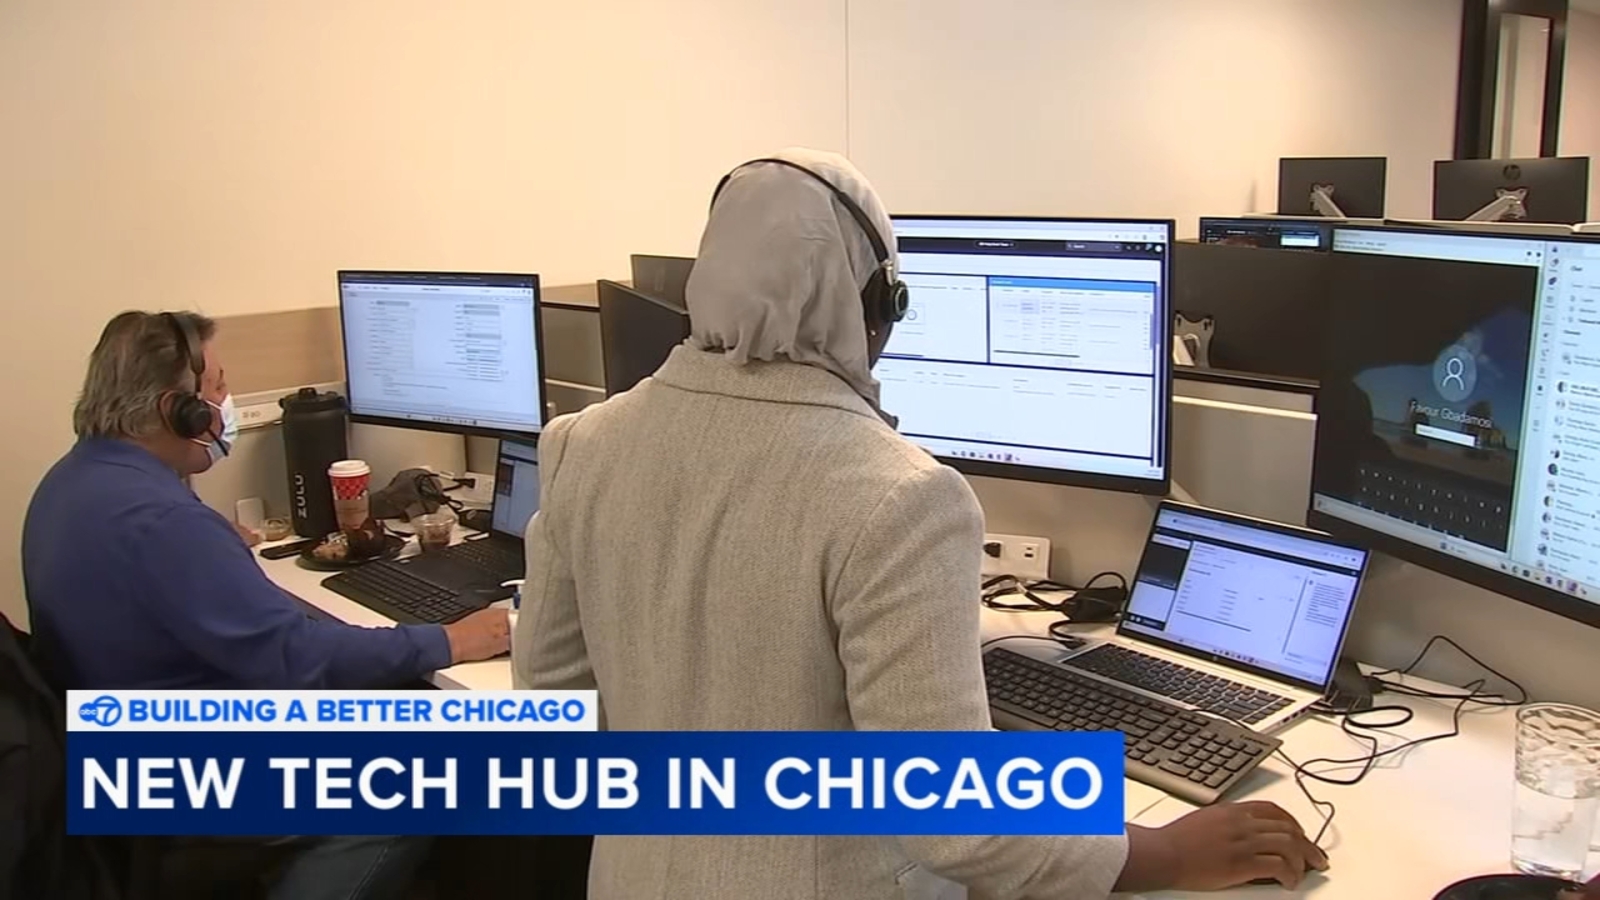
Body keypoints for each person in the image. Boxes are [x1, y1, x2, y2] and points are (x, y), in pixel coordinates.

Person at [512, 148, 1328, 899]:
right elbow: (957, 825)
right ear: (877, 306)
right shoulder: (899, 494)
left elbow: (554, 722)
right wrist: (1161, 852)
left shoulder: (583, 443)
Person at [23, 310, 511, 899]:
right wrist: (450, 639)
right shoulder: (163, 522)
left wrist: (208, 549)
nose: (225, 402)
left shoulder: (72, 481)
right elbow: (295, 659)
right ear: (178, 411)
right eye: (218, 386)